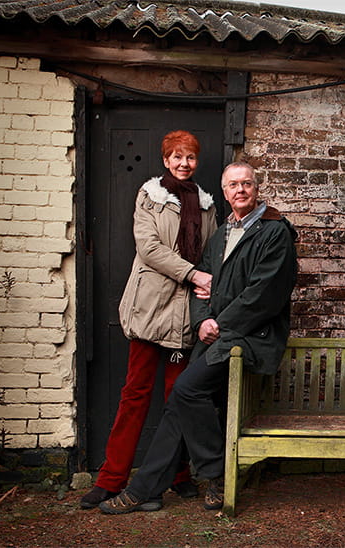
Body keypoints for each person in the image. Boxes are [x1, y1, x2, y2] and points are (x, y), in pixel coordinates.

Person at [98, 161, 298, 514]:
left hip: (251, 337)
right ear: (224, 192)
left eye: (247, 184)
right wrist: (202, 322)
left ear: (256, 188)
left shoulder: (275, 232)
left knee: (187, 391)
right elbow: (201, 286)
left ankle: (216, 472)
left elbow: (264, 296)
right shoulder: (221, 234)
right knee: (180, 400)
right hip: (217, 336)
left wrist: (219, 326)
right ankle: (147, 489)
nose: (240, 190)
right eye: (233, 185)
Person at [80, 130, 217, 509]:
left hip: (184, 318)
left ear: (196, 161)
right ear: (165, 160)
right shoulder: (150, 197)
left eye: (189, 157)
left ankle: (177, 474)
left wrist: (205, 281)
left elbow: (212, 254)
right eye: (176, 157)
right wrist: (194, 275)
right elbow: (150, 248)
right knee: (135, 394)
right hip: (149, 311)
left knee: (180, 398)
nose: (183, 163)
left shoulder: (207, 206)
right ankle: (110, 479)